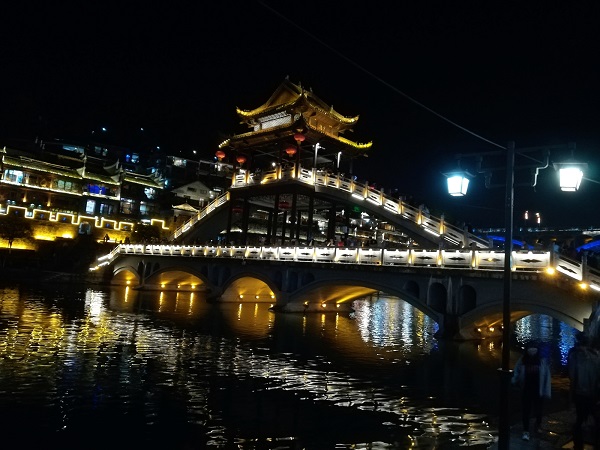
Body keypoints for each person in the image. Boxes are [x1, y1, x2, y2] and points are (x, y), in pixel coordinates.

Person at [511, 343, 552, 441]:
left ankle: (537, 426)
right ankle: (526, 431)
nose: (532, 350)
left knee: (538, 410)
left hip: (538, 389)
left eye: (534, 348)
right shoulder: (522, 360)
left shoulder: (542, 361)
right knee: (526, 411)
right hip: (526, 389)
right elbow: (516, 371)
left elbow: (547, 375)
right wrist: (514, 380)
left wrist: (546, 389)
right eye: (530, 349)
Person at [567, 332, 600, 450]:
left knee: (578, 421)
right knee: (596, 421)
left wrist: (571, 396)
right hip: (593, 394)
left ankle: (578, 445)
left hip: (580, 393)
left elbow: (572, 376)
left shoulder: (574, 355)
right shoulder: (596, 356)